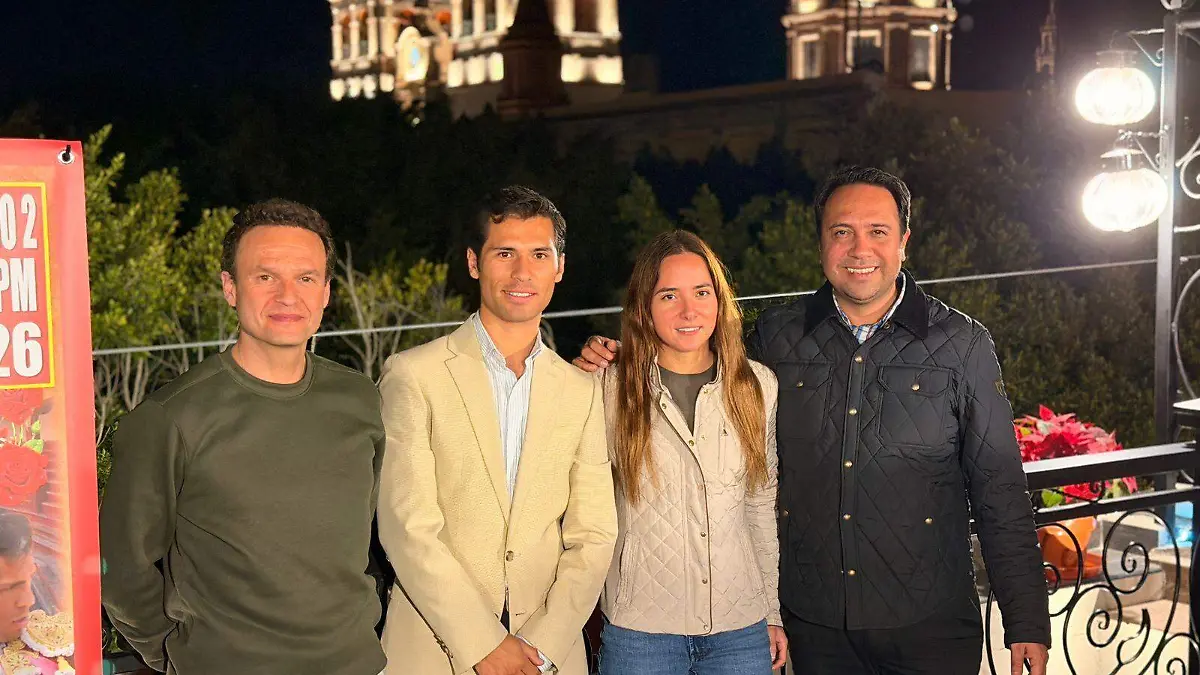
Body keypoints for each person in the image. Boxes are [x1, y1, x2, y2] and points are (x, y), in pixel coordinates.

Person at [574, 166, 1051, 675]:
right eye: (841, 232)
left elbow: (1000, 489)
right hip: (814, 631)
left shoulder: (963, 345)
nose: (859, 249)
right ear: (821, 243)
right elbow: (696, 355)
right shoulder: (777, 339)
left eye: (878, 232)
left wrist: (1025, 620)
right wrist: (621, 358)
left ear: (904, 242)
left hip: (929, 627)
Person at [99, 199, 387, 675]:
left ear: (327, 292)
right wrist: (171, 656)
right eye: (265, 276)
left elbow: (368, 539)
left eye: (306, 278)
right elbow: (121, 566)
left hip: (353, 664)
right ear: (230, 288)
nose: (287, 296)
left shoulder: (359, 399)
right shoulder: (171, 416)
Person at [376, 186, 617, 675]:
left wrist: (542, 645)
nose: (522, 272)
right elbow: (407, 528)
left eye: (539, 254)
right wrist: (483, 643)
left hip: (547, 658)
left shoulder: (582, 390)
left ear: (560, 267)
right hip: (432, 650)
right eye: (504, 253)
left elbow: (593, 536)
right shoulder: (412, 375)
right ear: (473, 262)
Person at [589, 230, 787, 675]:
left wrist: (770, 611)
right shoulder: (606, 389)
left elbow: (759, 508)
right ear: (644, 307)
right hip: (640, 632)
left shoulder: (757, 387)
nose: (688, 310)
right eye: (668, 296)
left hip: (741, 630)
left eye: (701, 292)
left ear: (720, 299)